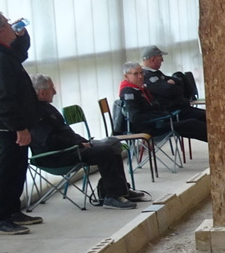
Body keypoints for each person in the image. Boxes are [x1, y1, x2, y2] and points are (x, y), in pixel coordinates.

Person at [28, 76, 149, 209]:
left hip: (70, 148)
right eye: (52, 89)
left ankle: (122, 190)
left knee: (112, 144)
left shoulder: (47, 107)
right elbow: (50, 141)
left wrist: (83, 141)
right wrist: (78, 145)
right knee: (104, 151)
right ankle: (112, 197)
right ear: (42, 92)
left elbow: (66, 132)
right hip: (55, 156)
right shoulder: (33, 113)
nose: (55, 92)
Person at [0, 11, 41, 235]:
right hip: (7, 125)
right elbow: (1, 98)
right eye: (6, 22)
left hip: (12, 123)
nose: (11, 24)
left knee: (18, 166)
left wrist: (22, 35)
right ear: (1, 30)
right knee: (8, 169)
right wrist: (19, 127)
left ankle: (13, 210)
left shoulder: (2, 52)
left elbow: (20, 53)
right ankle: (1, 218)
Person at [118, 62, 208, 141]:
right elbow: (135, 117)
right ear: (126, 76)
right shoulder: (129, 93)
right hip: (150, 127)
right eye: (136, 74)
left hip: (158, 121)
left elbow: (152, 106)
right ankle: (215, 143)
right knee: (192, 124)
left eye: (141, 73)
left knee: (194, 120)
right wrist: (160, 116)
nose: (140, 76)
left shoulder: (140, 89)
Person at [139, 46, 205, 127]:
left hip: (180, 108)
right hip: (172, 113)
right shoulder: (147, 76)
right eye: (160, 57)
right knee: (204, 120)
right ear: (153, 59)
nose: (162, 60)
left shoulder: (157, 73)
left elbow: (178, 82)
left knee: (207, 116)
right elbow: (169, 90)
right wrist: (175, 87)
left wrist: (174, 84)